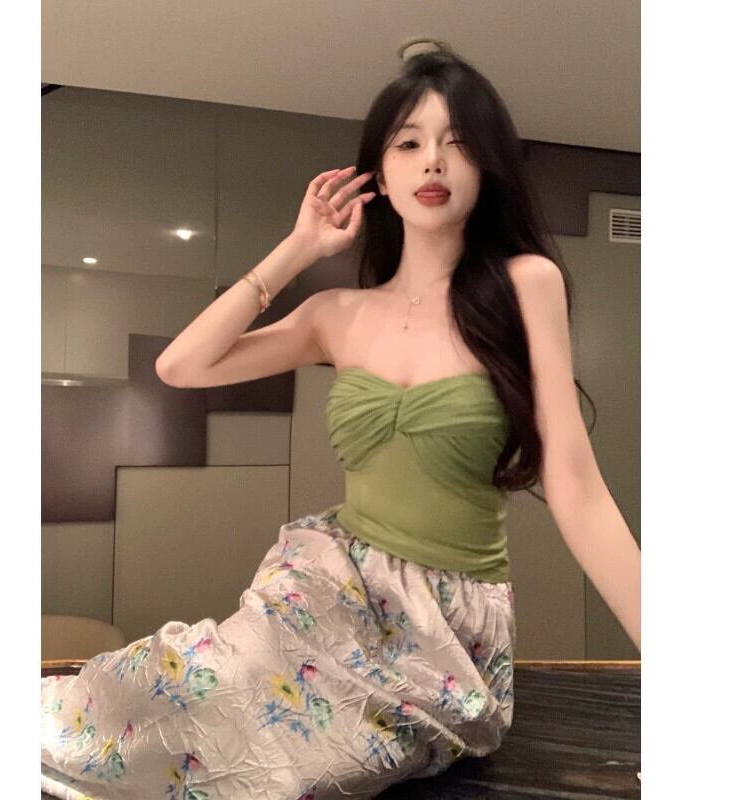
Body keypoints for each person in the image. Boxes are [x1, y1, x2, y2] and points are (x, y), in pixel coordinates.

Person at [41, 47, 641, 800]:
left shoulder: (527, 284)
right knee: (148, 696)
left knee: (302, 772)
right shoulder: (337, 315)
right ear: (379, 175)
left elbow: (578, 491)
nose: (433, 161)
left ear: (487, 168)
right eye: (409, 143)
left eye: (457, 143)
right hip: (328, 588)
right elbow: (181, 366)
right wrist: (298, 249)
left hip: (442, 633)